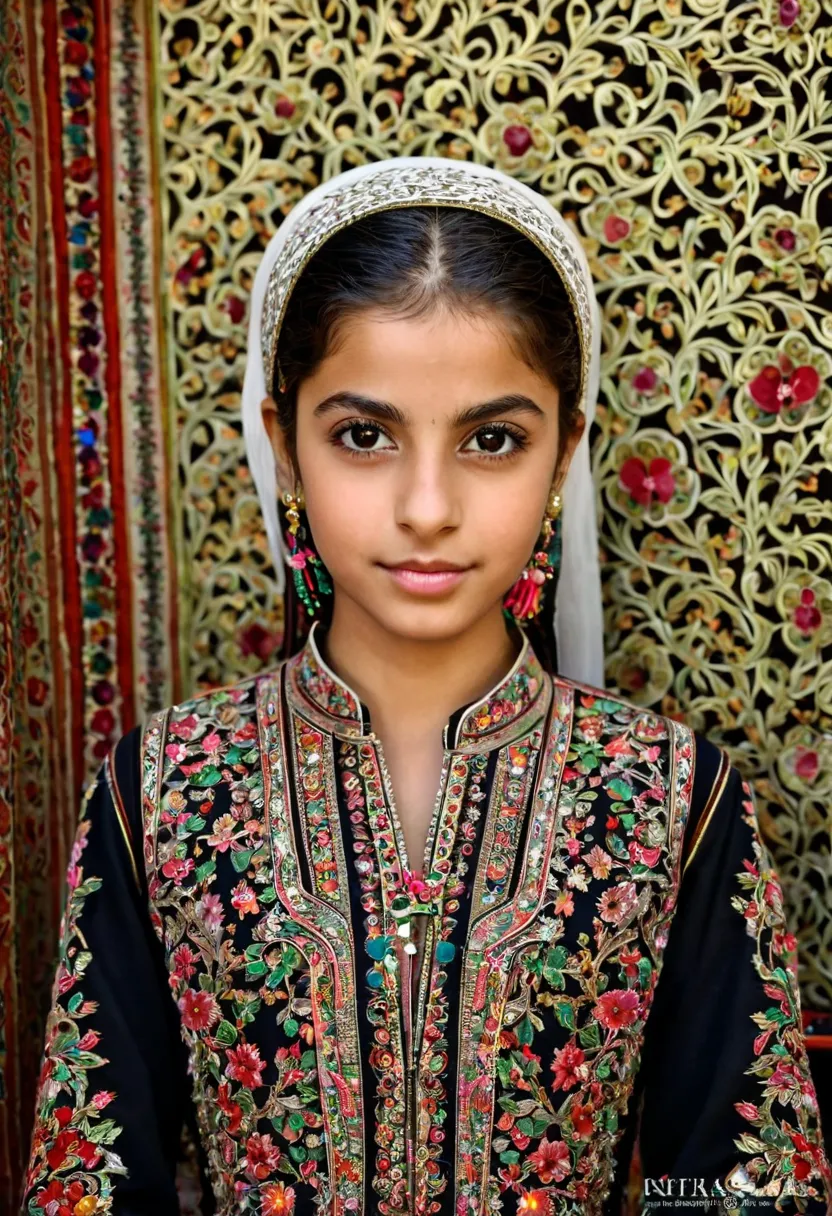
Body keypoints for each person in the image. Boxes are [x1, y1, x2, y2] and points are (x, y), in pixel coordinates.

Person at [22, 158, 832, 1216]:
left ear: (562, 457)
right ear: (285, 447)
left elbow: (733, 1182)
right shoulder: (163, 789)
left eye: (492, 440)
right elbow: (94, 1180)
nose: (427, 505)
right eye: (364, 436)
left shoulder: (674, 797)